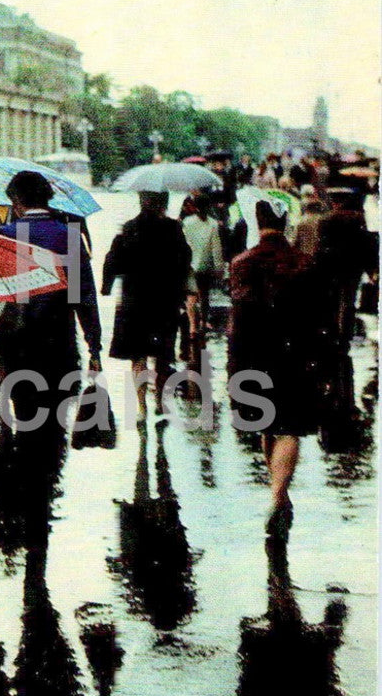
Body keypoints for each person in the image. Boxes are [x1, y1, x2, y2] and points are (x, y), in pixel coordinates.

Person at [229, 200, 322, 542]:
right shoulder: (304, 263)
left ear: (257, 223)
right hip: (295, 356)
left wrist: (233, 369)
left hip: (254, 355)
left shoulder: (241, 264)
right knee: (290, 428)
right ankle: (279, 494)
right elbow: (318, 319)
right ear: (285, 224)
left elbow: (237, 323)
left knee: (264, 423)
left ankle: (277, 493)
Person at [0, 170, 102, 443]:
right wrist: (94, 346)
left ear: (16, 202)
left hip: (17, 345)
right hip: (60, 344)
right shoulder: (68, 237)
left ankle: (27, 473)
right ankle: (49, 471)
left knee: (24, 416)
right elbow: (84, 298)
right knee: (55, 422)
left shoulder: (4, 237)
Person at [101, 190, 191, 419]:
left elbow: (112, 260)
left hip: (134, 302)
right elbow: (184, 260)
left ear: (141, 201)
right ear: (165, 203)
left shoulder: (130, 228)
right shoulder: (173, 229)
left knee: (137, 357)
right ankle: (160, 402)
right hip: (164, 301)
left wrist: (106, 286)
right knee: (162, 355)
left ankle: (141, 407)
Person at [316, 187, 371, 352]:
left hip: (331, 266)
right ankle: (346, 332)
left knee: (332, 299)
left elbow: (321, 247)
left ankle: (333, 332)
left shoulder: (326, 219)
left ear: (335, 201)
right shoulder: (358, 218)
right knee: (349, 300)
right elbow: (365, 244)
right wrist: (369, 266)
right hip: (353, 266)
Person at [182, 192, 225, 338]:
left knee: (191, 296)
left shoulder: (187, 223)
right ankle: (203, 322)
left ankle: (192, 326)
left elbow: (184, 245)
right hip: (205, 265)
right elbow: (216, 248)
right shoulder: (213, 224)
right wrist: (219, 268)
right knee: (204, 295)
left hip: (190, 265)